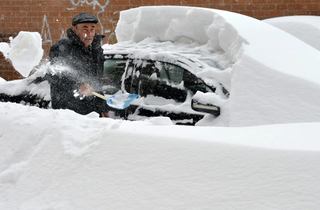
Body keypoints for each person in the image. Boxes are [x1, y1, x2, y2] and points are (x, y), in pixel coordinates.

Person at [48, 13, 109, 117]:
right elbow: (55, 76)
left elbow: (97, 81)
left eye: (92, 29)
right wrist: (78, 85)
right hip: (69, 112)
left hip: (92, 113)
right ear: (74, 29)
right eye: (84, 29)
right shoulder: (62, 48)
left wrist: (102, 107)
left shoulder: (96, 49)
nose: (89, 34)